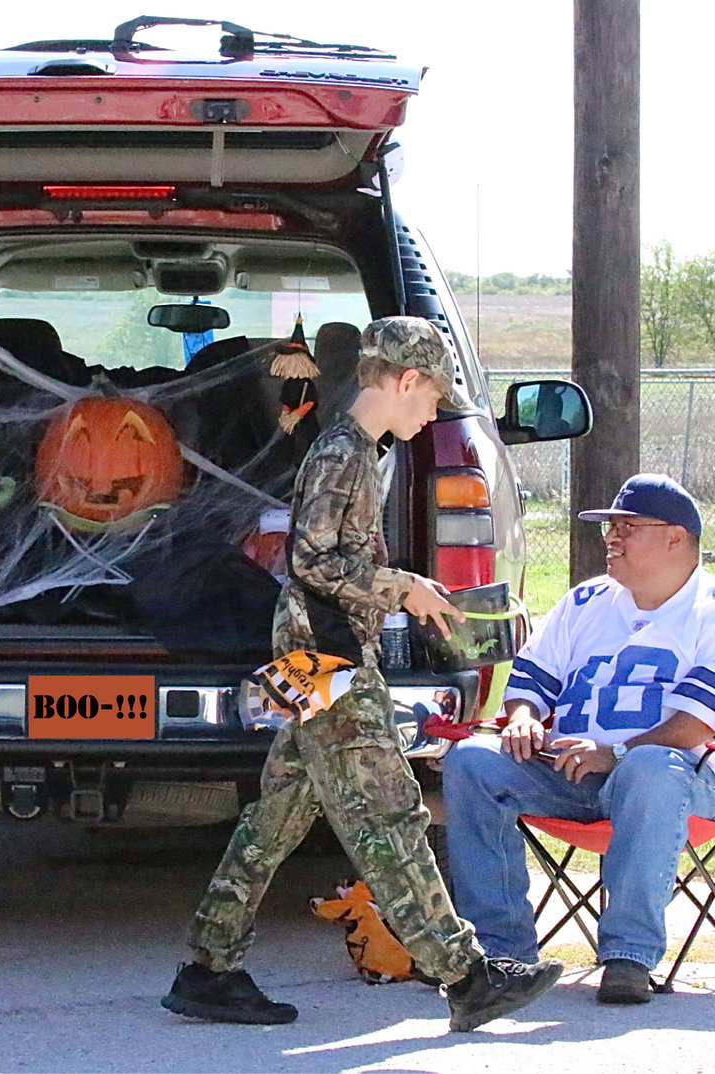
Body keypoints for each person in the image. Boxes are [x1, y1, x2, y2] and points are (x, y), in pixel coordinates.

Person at [161, 316, 562, 1032]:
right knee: (390, 809)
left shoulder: (350, 448)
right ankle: (466, 976)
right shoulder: (345, 453)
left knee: (280, 813)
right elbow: (311, 562)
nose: (432, 414)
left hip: (322, 647)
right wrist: (400, 584)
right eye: (430, 399)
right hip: (331, 654)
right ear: (405, 381)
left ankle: (208, 965)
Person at [443, 472, 715, 1005]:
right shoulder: (586, 600)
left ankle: (629, 956)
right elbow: (530, 684)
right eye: (607, 529)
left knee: (652, 767)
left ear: (675, 538)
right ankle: (502, 957)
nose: (611, 538)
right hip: (567, 773)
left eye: (627, 528)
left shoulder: (709, 611)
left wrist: (613, 754)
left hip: (674, 785)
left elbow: (697, 723)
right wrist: (522, 717)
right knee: (472, 760)